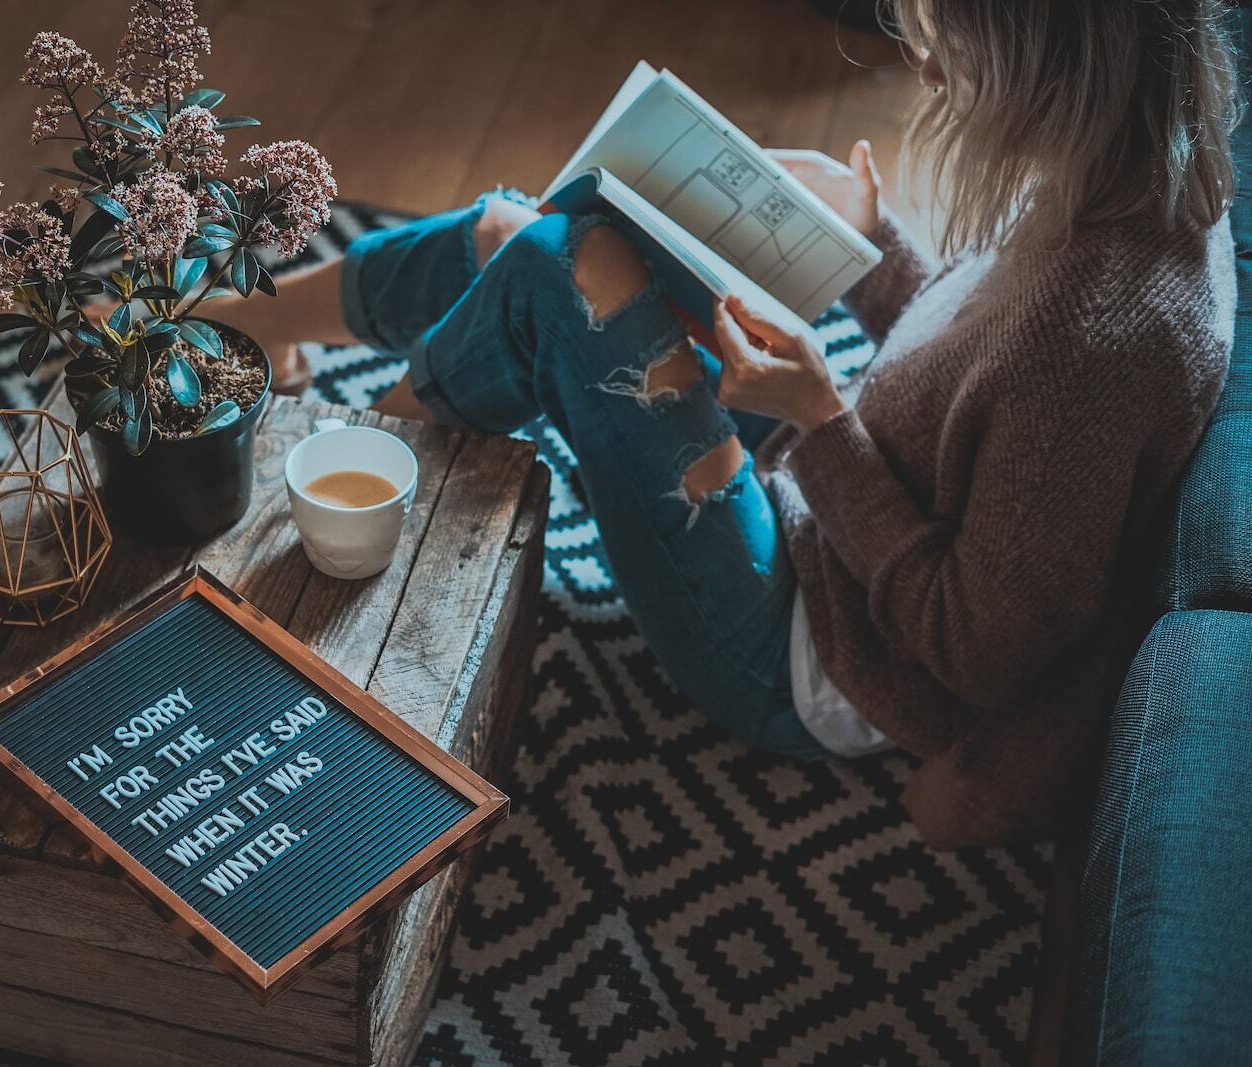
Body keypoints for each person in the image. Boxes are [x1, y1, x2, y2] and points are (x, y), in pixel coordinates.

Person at [206, 0, 1239, 846]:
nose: (927, 77)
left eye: (956, 51)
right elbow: (966, 369)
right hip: (815, 516)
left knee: (557, 265)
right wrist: (867, 245)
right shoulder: (1120, 178)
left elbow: (971, 650)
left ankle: (339, 490)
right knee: (528, 231)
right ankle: (259, 326)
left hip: (809, 651)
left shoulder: (1104, 340)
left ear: (1059, 65)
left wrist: (820, 420)